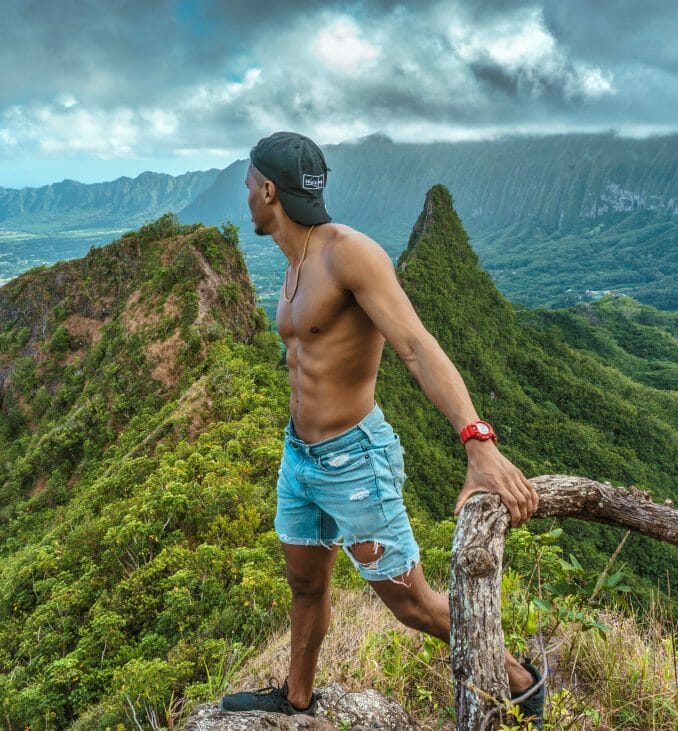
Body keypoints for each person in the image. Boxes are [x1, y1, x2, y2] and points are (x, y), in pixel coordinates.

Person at [219, 131, 545, 726]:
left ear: (268, 190)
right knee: (305, 584)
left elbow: (417, 347)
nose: (244, 197)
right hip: (301, 462)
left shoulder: (349, 253)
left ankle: (523, 687)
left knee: (413, 605)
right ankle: (296, 698)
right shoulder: (295, 263)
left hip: (353, 462)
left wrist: (479, 441)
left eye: (247, 186)